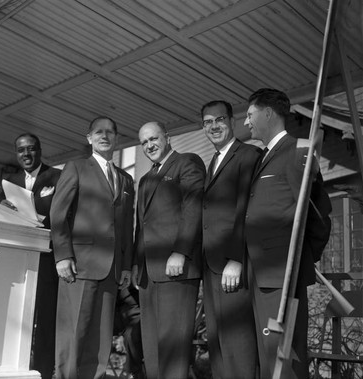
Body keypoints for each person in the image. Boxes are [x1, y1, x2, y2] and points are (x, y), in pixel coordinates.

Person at [244, 88, 332, 378]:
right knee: (270, 358)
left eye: (250, 115)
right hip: (263, 275)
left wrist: (300, 260)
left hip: (282, 275)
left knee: (286, 359)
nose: (246, 123)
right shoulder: (265, 157)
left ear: (268, 113)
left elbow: (318, 215)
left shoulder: (297, 151)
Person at [50, 116, 135, 379]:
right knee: (73, 334)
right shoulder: (75, 167)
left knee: (100, 339)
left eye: (111, 132)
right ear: (89, 138)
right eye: (99, 132)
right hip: (80, 265)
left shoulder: (125, 179)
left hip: (112, 270)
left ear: (117, 138)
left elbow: (126, 226)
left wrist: (126, 265)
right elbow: (58, 213)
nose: (105, 136)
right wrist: (63, 256)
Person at [131, 121, 205, 379]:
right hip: (148, 275)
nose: (149, 145)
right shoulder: (145, 179)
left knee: (173, 350)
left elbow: (193, 207)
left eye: (154, 138)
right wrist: (134, 265)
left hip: (177, 269)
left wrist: (181, 252)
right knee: (151, 350)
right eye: (144, 142)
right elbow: (141, 226)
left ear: (168, 137)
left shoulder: (187, 162)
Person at [200, 100, 262, 378]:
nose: (213, 126)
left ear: (232, 122)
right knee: (218, 342)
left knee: (238, 343)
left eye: (219, 120)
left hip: (232, 264)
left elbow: (246, 209)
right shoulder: (212, 161)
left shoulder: (248, 155)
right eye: (207, 122)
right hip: (212, 265)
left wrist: (236, 259)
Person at [0, 133, 61, 379]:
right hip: (16, 259)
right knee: (16, 317)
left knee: (45, 319)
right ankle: (15, 368)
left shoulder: (57, 176)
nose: (26, 154)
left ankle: (43, 371)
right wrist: (3, 207)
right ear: (16, 153)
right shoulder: (9, 181)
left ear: (40, 150)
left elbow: (65, 212)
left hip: (46, 258)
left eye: (31, 149)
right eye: (21, 150)